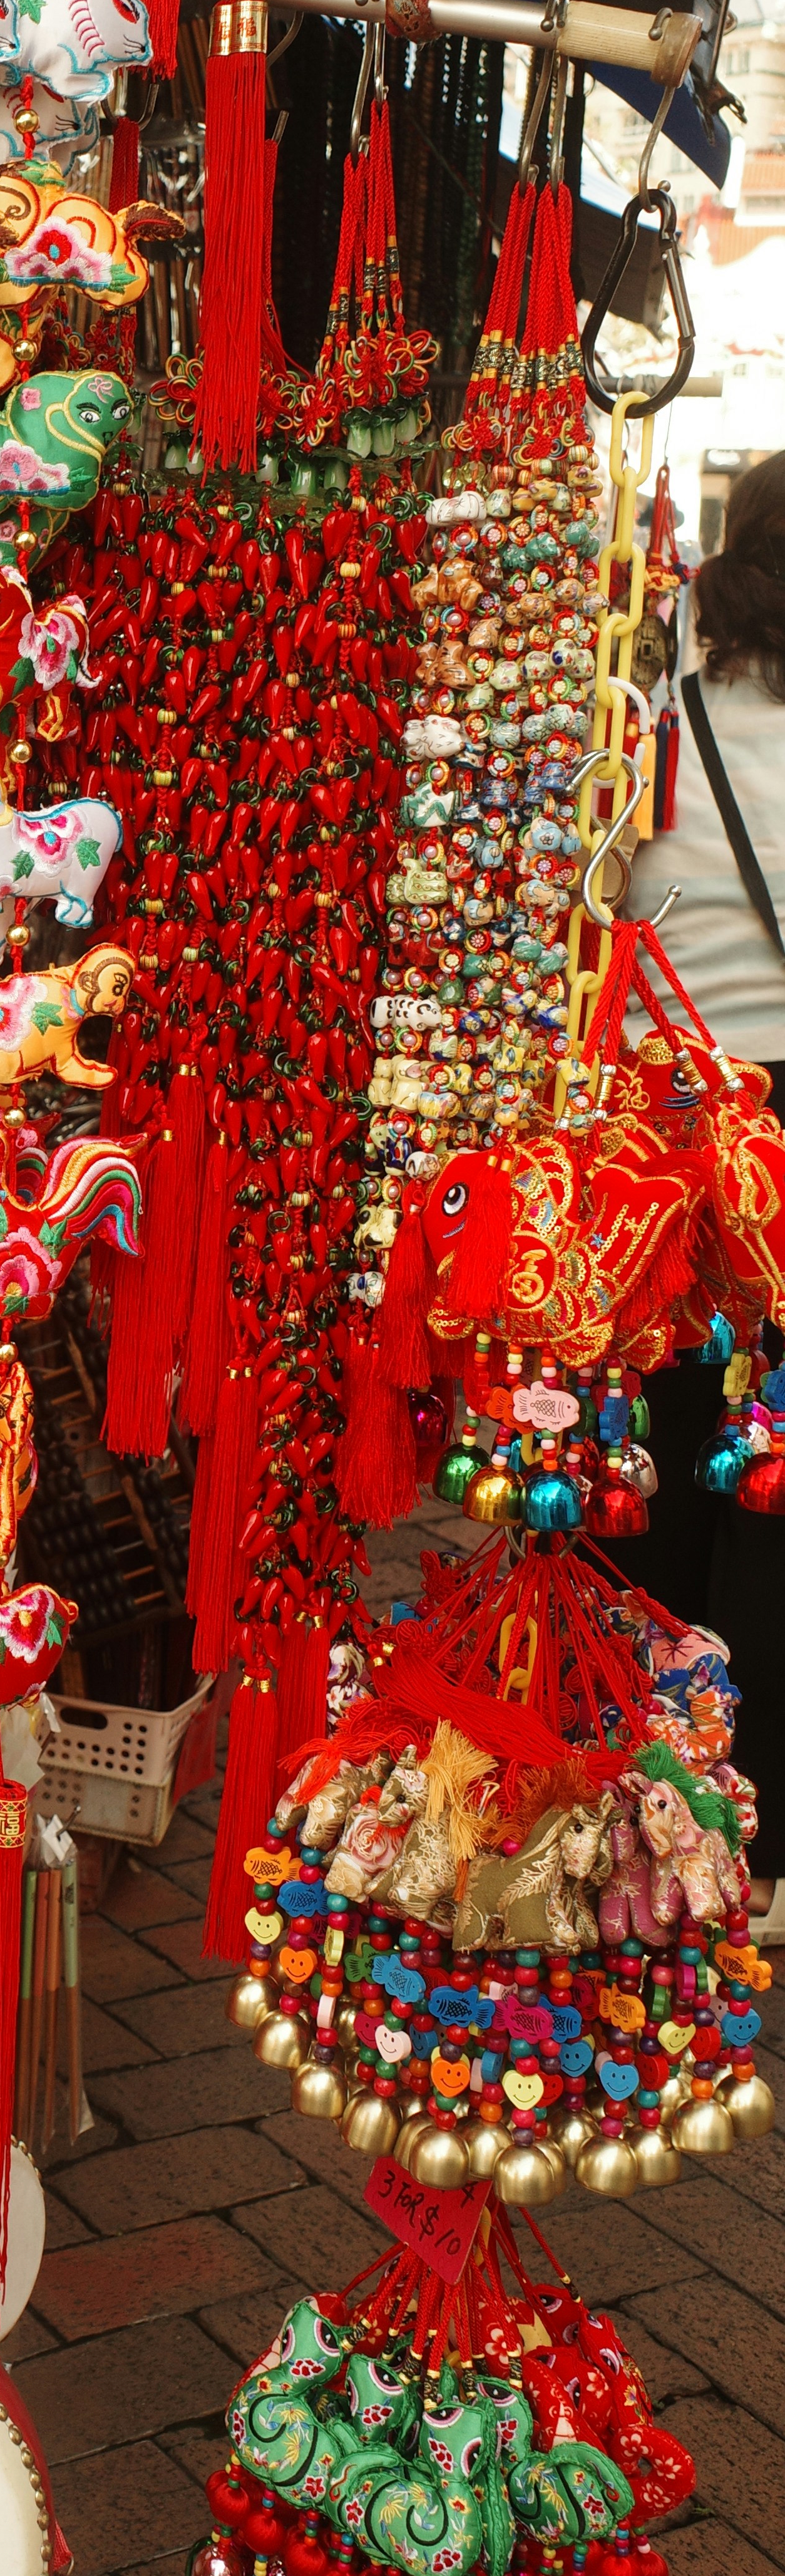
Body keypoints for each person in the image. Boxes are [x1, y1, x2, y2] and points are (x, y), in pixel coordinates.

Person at [600, 450, 785, 1925]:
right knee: (771, 1473)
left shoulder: (647, 681)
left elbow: (595, 892)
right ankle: (752, 1828)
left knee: (642, 1455)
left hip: (655, 1116)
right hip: (782, 1133)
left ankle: (621, 1786)